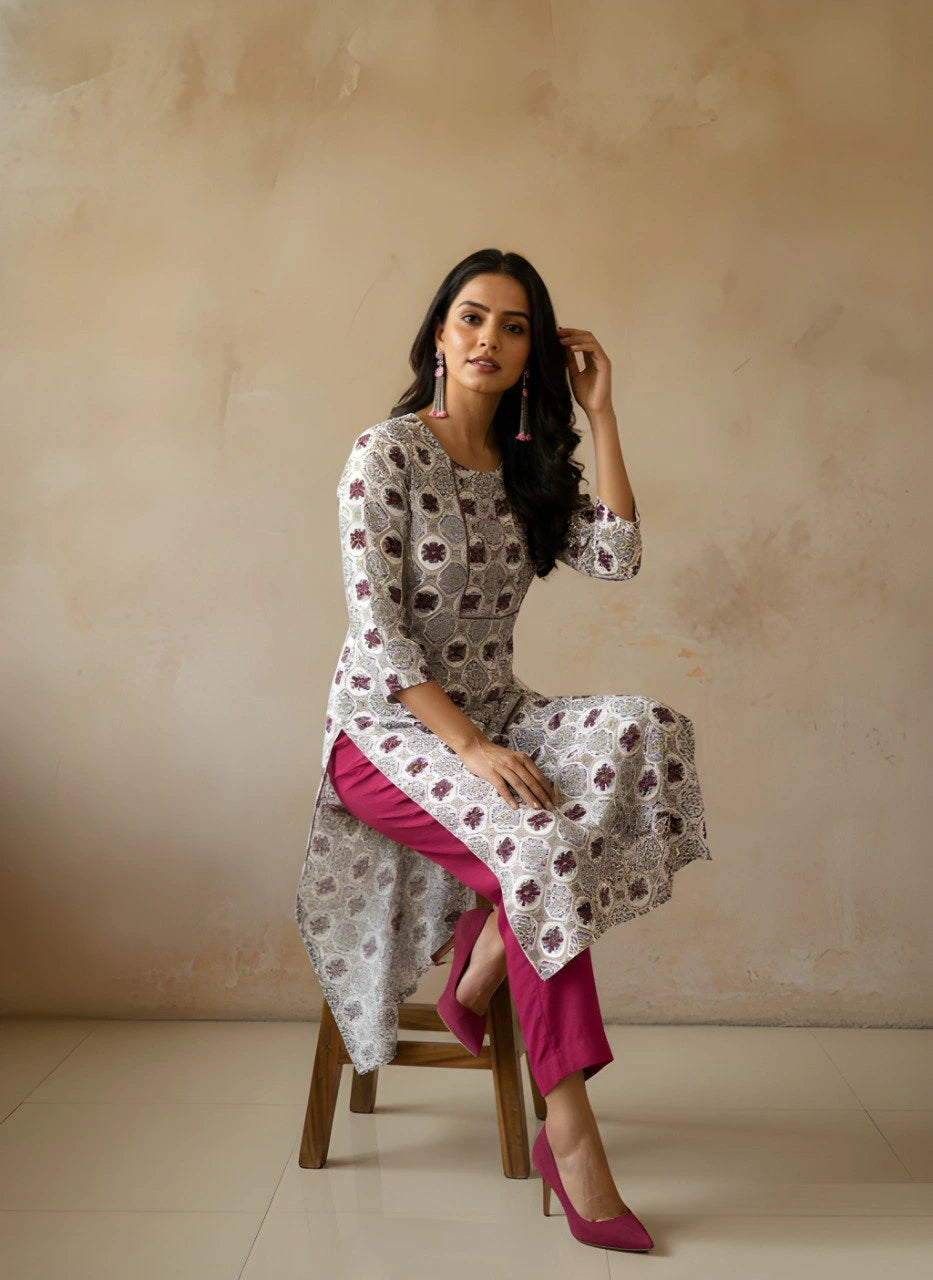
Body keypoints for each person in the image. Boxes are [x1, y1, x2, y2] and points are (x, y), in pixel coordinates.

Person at [296, 247, 712, 1251]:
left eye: (515, 325)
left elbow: (617, 553)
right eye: (472, 317)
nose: (490, 337)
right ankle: (573, 1138)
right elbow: (381, 634)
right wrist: (469, 744)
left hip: (496, 710)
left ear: (534, 353)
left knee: (648, 730)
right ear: (439, 334)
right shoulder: (385, 453)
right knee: (538, 847)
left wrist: (603, 412)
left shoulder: (526, 468)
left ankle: (479, 972)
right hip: (389, 731)